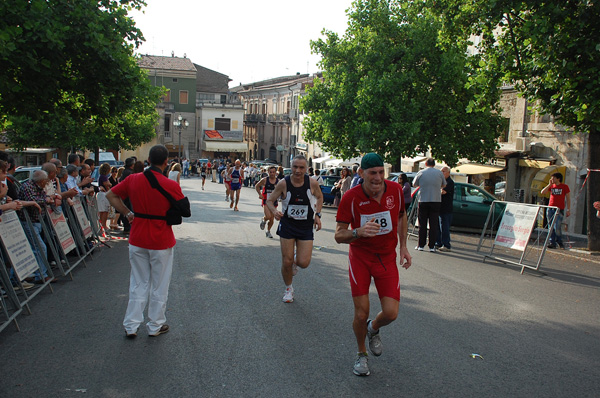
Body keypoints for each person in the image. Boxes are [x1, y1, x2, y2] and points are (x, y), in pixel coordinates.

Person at [334, 152, 412, 377]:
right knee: (360, 313)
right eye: (372, 173)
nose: (378, 178)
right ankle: (361, 355)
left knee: (391, 313)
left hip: (386, 257)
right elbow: (339, 235)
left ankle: (373, 328)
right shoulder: (351, 197)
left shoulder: (396, 190)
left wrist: (403, 247)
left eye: (381, 172)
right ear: (361, 173)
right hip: (360, 257)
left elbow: (401, 216)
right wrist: (358, 232)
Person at [106, 145, 188, 338]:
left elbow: (111, 195)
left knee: (138, 283)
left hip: (138, 236)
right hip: (161, 238)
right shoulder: (170, 184)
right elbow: (184, 209)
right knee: (159, 284)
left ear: (148, 160)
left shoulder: (133, 179)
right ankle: (155, 325)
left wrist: (127, 213)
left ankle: (131, 325)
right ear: (166, 162)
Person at [266, 155, 323, 303]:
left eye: (301, 167)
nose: (298, 170)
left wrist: (317, 215)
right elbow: (270, 200)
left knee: (303, 262)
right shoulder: (283, 183)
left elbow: (320, 197)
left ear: (306, 169)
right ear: (291, 167)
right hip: (288, 226)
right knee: (286, 261)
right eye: (295, 167)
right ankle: (288, 289)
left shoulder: (312, 183)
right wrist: (274, 211)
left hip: (305, 227)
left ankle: (295, 262)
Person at [412, 158, 446, 252]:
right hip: (436, 200)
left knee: (422, 223)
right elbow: (444, 184)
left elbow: (414, 184)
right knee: (433, 224)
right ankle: (432, 246)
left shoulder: (421, 172)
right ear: (434, 164)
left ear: (426, 163)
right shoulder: (439, 173)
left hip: (423, 199)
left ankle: (421, 245)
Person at [540, 172, 570, 249]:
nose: (551, 179)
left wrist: (568, 209)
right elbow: (542, 192)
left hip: (559, 209)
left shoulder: (564, 187)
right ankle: (552, 242)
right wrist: (549, 185)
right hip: (550, 208)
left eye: (553, 178)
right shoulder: (551, 186)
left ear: (558, 179)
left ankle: (559, 241)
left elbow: (568, 198)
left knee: (557, 227)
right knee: (551, 227)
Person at [255, 165, 280, 238]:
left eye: (273, 172)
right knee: (268, 216)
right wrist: (260, 194)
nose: (272, 174)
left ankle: (268, 231)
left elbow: (282, 190)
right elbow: (257, 186)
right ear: (268, 172)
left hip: (274, 201)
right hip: (266, 200)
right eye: (270, 172)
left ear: (276, 173)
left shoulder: (278, 181)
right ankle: (264, 219)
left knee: (272, 219)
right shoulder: (265, 180)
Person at [435, 166, 454, 251]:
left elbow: (442, 192)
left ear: (448, 173)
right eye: (441, 171)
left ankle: (446, 244)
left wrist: (438, 189)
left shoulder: (449, 182)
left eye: (444, 171)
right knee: (438, 226)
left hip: (446, 208)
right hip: (439, 207)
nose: (442, 173)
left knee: (444, 227)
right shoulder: (441, 181)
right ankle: (438, 243)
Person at [97, 163, 113, 232]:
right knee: (104, 211)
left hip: (103, 194)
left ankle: (103, 225)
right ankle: (103, 225)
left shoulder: (102, 176)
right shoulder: (104, 177)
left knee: (105, 210)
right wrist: (109, 184)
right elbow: (107, 184)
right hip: (103, 194)